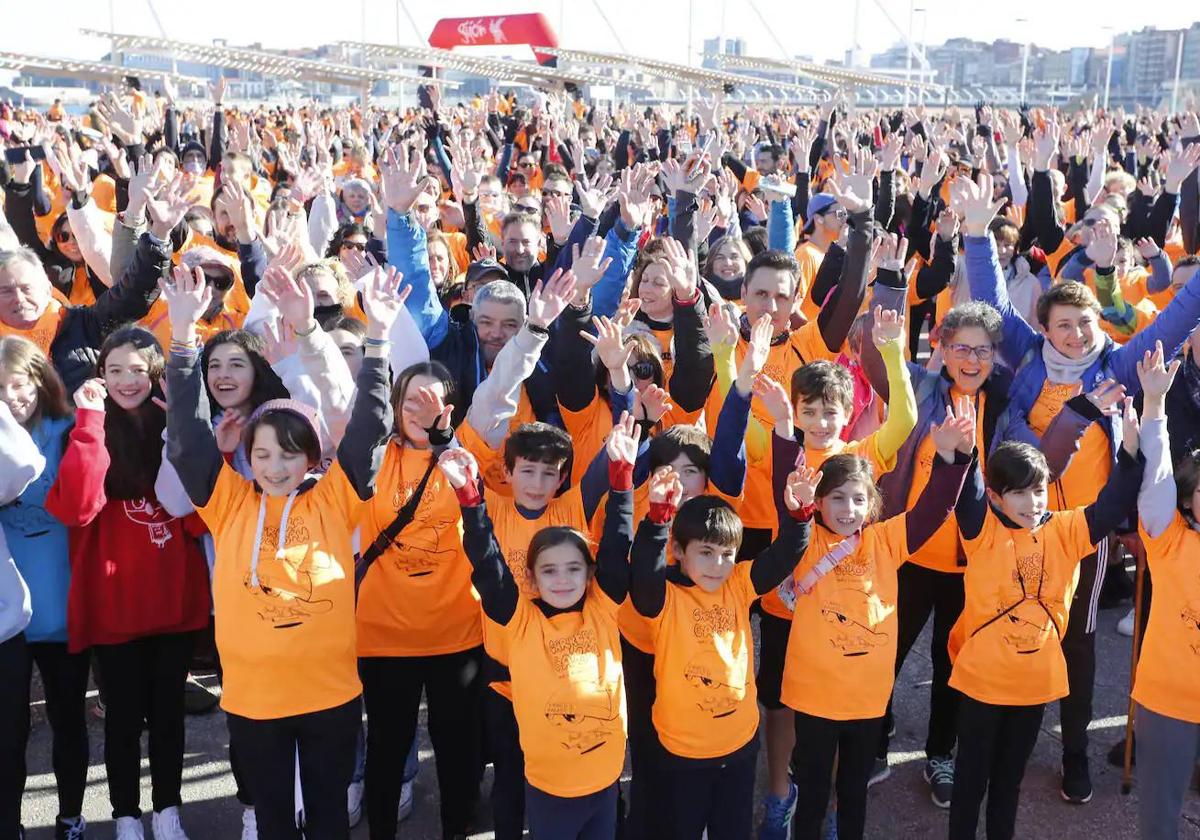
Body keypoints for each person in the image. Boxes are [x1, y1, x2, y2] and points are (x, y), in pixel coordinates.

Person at [164, 263, 402, 840]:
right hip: (254, 700)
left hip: (331, 695)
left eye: (291, 454)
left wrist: (378, 339)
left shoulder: (336, 500)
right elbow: (188, 437)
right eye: (265, 454)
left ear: (313, 458)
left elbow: (370, 428)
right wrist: (181, 340)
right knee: (272, 821)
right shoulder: (229, 502)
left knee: (327, 819)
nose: (276, 466)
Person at [45, 326, 211, 840]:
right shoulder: (88, 426)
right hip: (114, 605)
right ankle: (125, 816)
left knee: (168, 716)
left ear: (156, 372)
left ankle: (168, 811)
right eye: (113, 370)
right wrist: (91, 422)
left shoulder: (175, 425)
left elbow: (199, 517)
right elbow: (77, 507)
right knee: (121, 720)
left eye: (138, 369)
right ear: (99, 376)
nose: (126, 381)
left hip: (173, 599)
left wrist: (179, 433)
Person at [781, 397, 973, 840]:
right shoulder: (804, 541)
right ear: (819, 502)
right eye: (837, 499)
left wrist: (949, 456)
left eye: (858, 499)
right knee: (812, 792)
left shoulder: (886, 541)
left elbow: (934, 509)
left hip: (867, 698)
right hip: (814, 696)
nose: (848, 509)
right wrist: (798, 508)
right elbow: (791, 522)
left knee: (853, 793)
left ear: (872, 504)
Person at [946, 412, 1144, 839]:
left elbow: (1111, 505)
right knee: (969, 783)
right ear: (998, 498)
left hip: (1034, 682)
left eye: (1037, 491)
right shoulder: (982, 531)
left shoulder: (1067, 529)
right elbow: (968, 494)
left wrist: (1129, 451)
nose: (1032, 503)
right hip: (982, 682)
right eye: (1018, 493)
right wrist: (965, 452)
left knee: (1007, 783)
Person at [440, 411, 637, 839]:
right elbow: (481, 547)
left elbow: (617, 520)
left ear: (562, 477)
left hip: (567, 682)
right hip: (505, 682)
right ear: (506, 472)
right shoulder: (492, 505)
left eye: (549, 473)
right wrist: (442, 435)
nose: (536, 482)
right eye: (526, 471)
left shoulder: (571, 508)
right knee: (511, 780)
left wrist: (628, 411)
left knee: (591, 779)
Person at [629, 459, 816, 839]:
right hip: (682, 752)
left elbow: (783, 555)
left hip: (739, 746)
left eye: (727, 554)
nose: (718, 565)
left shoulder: (739, 584)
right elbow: (643, 579)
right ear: (678, 552)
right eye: (706, 552)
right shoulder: (664, 596)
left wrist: (799, 515)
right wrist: (657, 518)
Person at [0, 337, 89, 840]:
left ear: (40, 381)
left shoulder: (66, 429)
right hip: (8, 613)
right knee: (9, 733)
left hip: (62, 603)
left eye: (20, 384)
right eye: (0, 389)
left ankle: (71, 815)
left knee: (68, 721)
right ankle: (9, 823)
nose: (12, 397)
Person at [1130, 342, 1200, 839]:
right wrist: (1154, 406)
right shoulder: (1168, 536)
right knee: (1159, 823)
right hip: (1167, 702)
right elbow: (1155, 476)